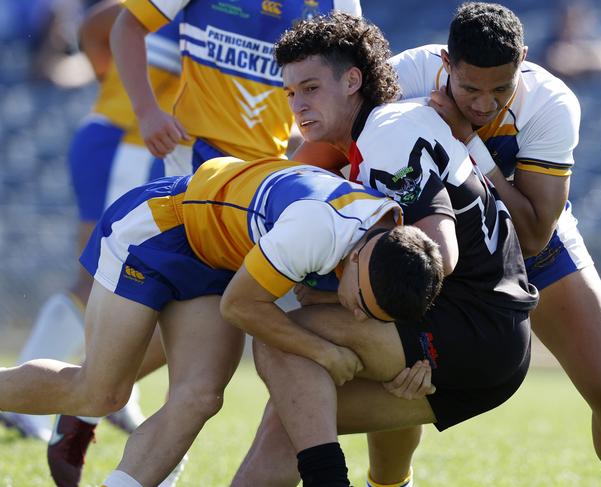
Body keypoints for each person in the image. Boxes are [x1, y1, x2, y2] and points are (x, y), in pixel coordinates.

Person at [229, 12, 538, 487]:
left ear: (353, 79)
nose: (298, 106)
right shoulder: (378, 136)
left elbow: (440, 251)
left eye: (311, 88)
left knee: (278, 340)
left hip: (473, 328)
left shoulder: (387, 134)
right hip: (491, 342)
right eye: (291, 93)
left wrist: (387, 312)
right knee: (294, 418)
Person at [0, 155, 441, 487]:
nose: (358, 313)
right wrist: (324, 351)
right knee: (100, 393)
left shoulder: (387, 238)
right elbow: (241, 307)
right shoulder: (321, 228)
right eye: (361, 301)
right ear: (362, 254)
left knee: (200, 397)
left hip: (217, 260)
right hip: (158, 230)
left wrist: (413, 368)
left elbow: (313, 294)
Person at [375, 2, 601, 486]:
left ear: (523, 58)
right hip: (439, 251)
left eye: (500, 88)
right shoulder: (403, 78)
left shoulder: (549, 102)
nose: (483, 104)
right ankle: (389, 484)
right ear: (445, 62)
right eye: (469, 88)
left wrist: (468, 143)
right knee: (402, 388)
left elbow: (533, 233)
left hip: (531, 247)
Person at [0, 0, 177, 448]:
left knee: (139, 281)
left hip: (140, 146)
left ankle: (116, 390)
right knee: (99, 280)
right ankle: (20, 401)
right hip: (129, 142)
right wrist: (112, 82)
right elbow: (103, 24)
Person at [110, 0, 362, 175]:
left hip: (271, 165)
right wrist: (146, 112)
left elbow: (353, 75)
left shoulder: (340, 2)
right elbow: (127, 26)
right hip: (194, 155)